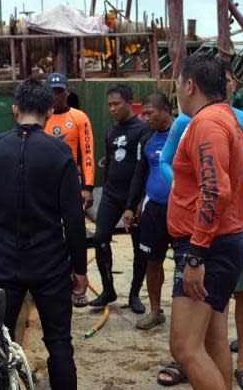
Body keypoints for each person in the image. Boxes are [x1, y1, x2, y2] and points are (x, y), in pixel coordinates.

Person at [0, 78, 88, 390]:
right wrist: (80, 268)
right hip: (51, 263)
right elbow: (73, 218)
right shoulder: (59, 154)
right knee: (59, 344)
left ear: (14, 110)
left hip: (4, 263)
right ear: (48, 111)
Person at [157, 63, 243, 389]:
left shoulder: (207, 124)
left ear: (190, 85)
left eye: (178, 84)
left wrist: (195, 257)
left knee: (184, 347)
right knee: (213, 340)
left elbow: (214, 191)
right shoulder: (231, 120)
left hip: (209, 249)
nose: (177, 91)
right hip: (223, 242)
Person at [89, 84, 149, 314]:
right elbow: (112, 162)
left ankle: (134, 294)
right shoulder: (111, 131)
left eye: (116, 104)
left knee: (138, 247)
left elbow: (141, 170)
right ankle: (108, 290)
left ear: (129, 102)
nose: (112, 109)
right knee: (100, 239)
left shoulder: (143, 130)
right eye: (109, 105)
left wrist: (135, 204)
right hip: (111, 194)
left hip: (134, 197)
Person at [121, 92, 174, 330]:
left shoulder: (184, 134)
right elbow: (140, 173)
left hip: (182, 211)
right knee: (153, 260)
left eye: (150, 113)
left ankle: (191, 315)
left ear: (166, 110)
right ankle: (155, 311)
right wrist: (132, 206)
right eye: (143, 113)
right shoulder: (147, 138)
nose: (145, 118)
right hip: (154, 211)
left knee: (187, 265)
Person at [44, 73, 95, 211]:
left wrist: (88, 187)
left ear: (68, 91)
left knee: (72, 225)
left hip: (71, 179)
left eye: (59, 91)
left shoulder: (79, 117)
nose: (56, 95)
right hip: (44, 180)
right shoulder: (40, 117)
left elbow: (88, 154)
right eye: (51, 91)